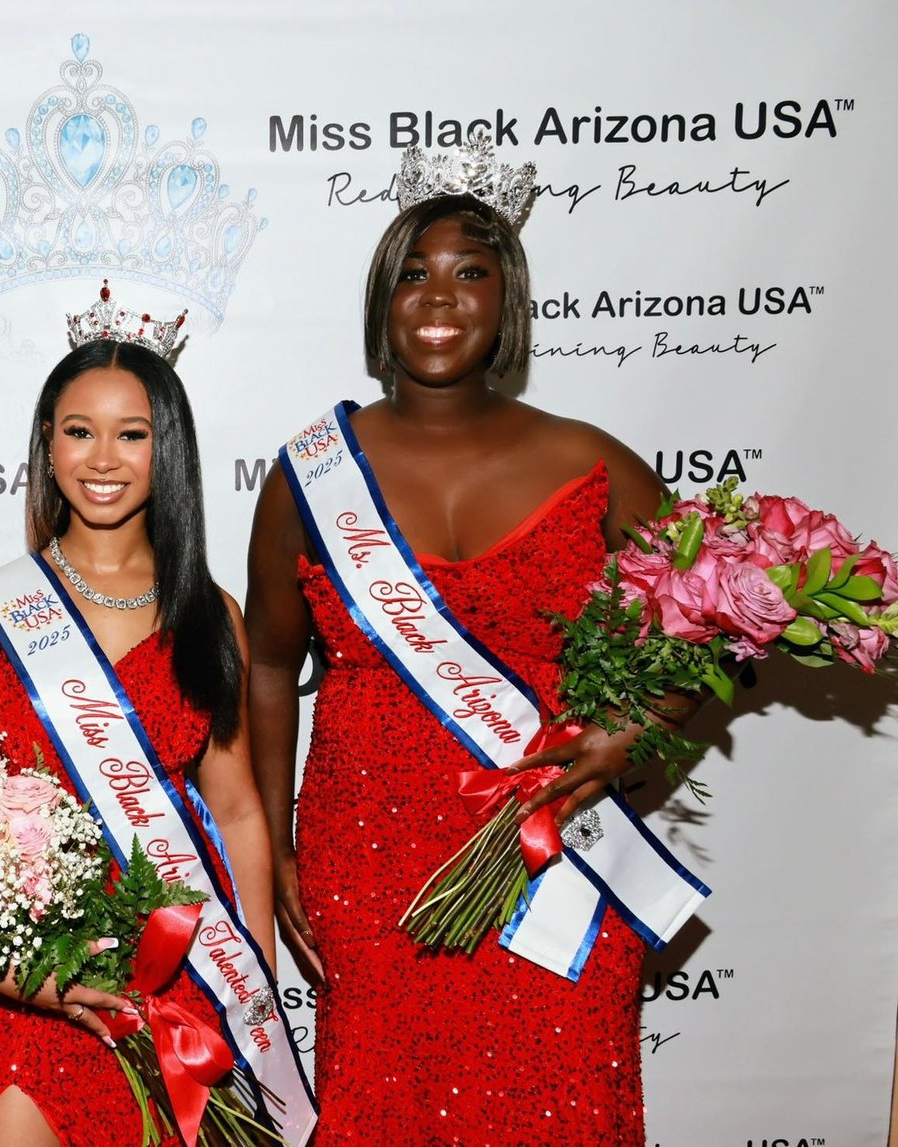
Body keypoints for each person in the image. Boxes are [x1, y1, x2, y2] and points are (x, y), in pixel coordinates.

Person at [245, 134, 692, 1145]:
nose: (438, 298)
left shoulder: (590, 461)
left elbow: (711, 622)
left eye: (468, 273)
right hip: (366, 866)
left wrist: (636, 732)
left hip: (553, 863)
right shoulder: (309, 475)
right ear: (378, 300)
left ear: (508, 299)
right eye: (412, 274)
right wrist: (275, 845)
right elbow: (269, 664)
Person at [0, 287, 311, 1147]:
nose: (103, 457)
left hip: (175, 975)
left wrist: (252, 988)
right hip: (31, 987)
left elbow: (239, 807)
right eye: (78, 430)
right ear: (47, 445)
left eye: (132, 433)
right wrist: (17, 973)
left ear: (165, 449)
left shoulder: (212, 613)